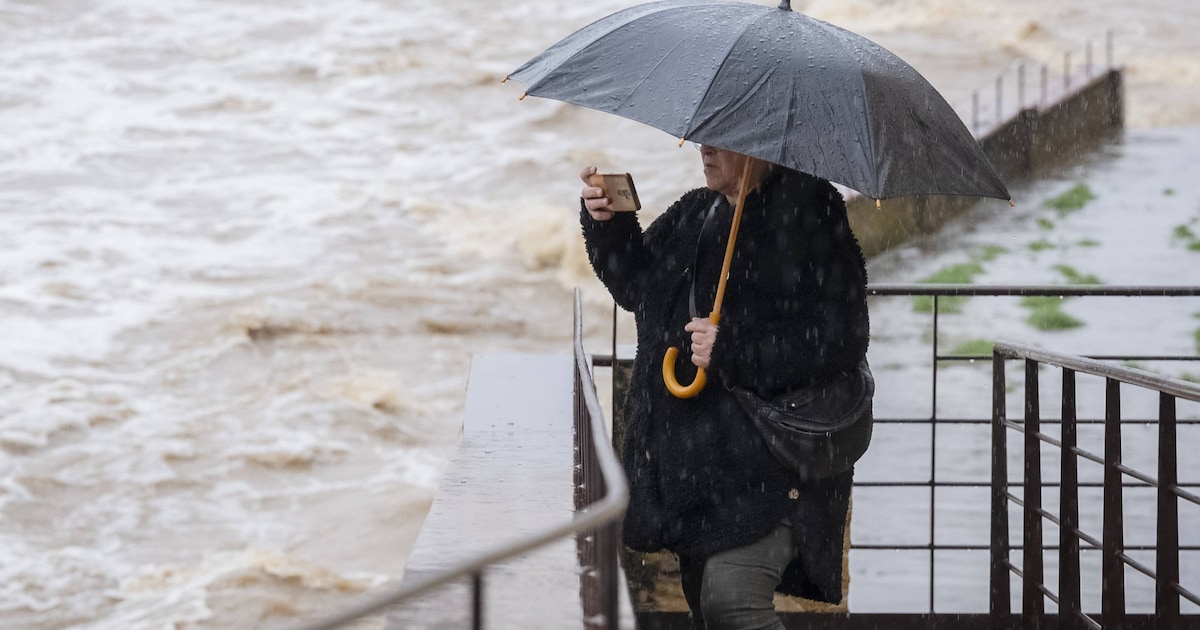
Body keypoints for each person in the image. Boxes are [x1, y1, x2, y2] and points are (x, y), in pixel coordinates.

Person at [578, 145, 870, 630]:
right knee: (706, 605)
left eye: (720, 135)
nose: (704, 146)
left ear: (760, 147)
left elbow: (842, 338)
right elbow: (637, 287)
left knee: (730, 600)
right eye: (704, 133)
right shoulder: (699, 209)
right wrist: (609, 223)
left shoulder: (812, 212)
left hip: (771, 472)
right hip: (697, 478)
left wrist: (736, 348)